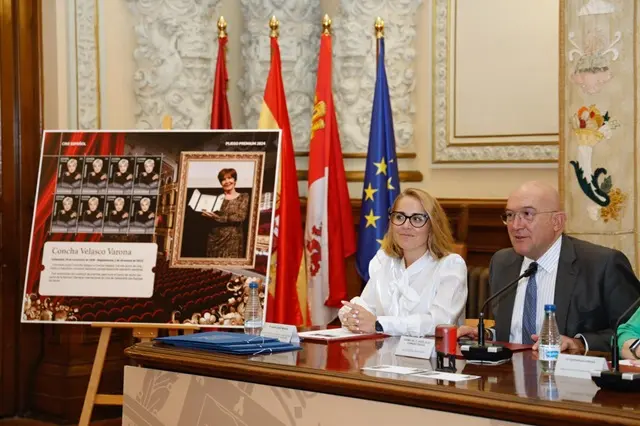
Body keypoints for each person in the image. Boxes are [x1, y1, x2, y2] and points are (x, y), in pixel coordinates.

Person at [458, 181, 640, 353]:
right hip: (508, 372)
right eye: (510, 215)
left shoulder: (602, 264)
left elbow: (629, 335)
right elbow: (513, 330)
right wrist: (486, 335)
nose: (515, 225)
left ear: (557, 222)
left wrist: (578, 343)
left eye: (527, 214)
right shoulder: (502, 262)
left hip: (571, 373)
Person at [338, 188, 467, 337]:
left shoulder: (451, 265)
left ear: (433, 225)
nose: (406, 225)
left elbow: (440, 323)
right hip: (384, 350)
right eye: (399, 217)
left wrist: (379, 324)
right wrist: (353, 317)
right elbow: (365, 307)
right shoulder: (384, 261)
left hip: (433, 351)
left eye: (417, 219)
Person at [203, 168, 249, 258]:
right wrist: (205, 214)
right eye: (223, 179)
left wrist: (217, 217)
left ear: (235, 180)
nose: (227, 181)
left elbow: (240, 217)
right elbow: (208, 219)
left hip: (233, 240)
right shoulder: (217, 198)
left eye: (229, 178)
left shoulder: (244, 196)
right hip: (214, 239)